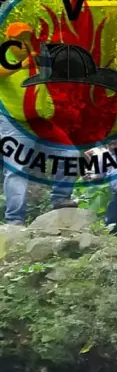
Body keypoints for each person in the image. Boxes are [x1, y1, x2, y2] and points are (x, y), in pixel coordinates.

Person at [1, 22, 76, 224]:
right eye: (19, 39)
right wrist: (22, 64)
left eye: (26, 38)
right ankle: (14, 221)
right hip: (13, 122)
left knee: (71, 154)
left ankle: (60, 198)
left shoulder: (36, 59)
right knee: (17, 168)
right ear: (9, 41)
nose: (23, 43)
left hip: (40, 122)